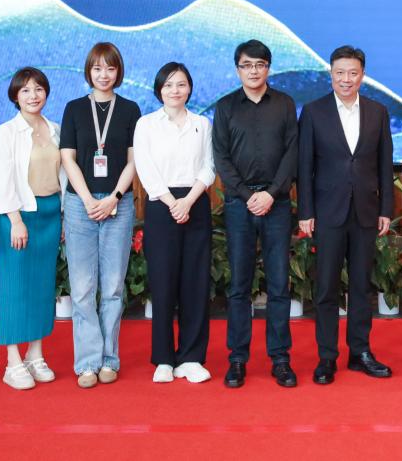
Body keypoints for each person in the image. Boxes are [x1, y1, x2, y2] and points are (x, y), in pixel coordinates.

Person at [298, 45, 395, 384]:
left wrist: (386, 208)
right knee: (326, 287)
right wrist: (306, 211)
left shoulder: (377, 112)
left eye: (353, 73)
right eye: (340, 73)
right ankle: (327, 357)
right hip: (327, 212)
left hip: (366, 211)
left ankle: (360, 351)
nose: (346, 79)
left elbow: (385, 164)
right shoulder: (314, 111)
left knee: (361, 285)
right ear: (331, 74)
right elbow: (304, 166)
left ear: (362, 75)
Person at [212, 39, 299, 389]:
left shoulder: (285, 104)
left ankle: (280, 358)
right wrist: (250, 196)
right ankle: (237, 358)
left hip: (277, 204)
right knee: (239, 285)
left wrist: (271, 193)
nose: (253, 71)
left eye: (260, 65)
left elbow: (292, 153)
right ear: (238, 69)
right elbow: (221, 158)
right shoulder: (225, 107)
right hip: (239, 204)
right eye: (247, 65)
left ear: (268, 68)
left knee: (279, 284)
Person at [59, 43, 142, 388]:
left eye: (110, 68)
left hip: (118, 204)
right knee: (82, 288)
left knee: (112, 287)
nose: (103, 75)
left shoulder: (130, 109)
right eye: (97, 68)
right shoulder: (74, 108)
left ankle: (109, 358)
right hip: (80, 205)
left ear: (118, 71)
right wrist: (86, 199)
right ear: (88, 71)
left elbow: (134, 160)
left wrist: (114, 198)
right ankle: (87, 362)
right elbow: (67, 157)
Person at [134, 62, 216, 384]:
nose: (175, 90)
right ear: (159, 89)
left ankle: (191, 357)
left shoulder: (202, 124)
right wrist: (172, 202)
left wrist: (188, 201)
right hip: (161, 205)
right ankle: (164, 359)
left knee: (195, 281)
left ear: (190, 88)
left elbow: (209, 167)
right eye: (168, 85)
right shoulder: (146, 125)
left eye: (181, 84)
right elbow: (145, 168)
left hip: (195, 203)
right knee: (163, 281)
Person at [0, 67, 64, 391]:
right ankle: (12, 362)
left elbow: (63, 175)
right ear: (15, 96)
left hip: (50, 213)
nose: (33, 96)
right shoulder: (6, 133)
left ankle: (35, 354)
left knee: (42, 286)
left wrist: (63, 216)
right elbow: (2, 181)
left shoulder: (56, 129)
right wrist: (16, 220)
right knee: (15, 287)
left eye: (38, 89)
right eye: (25, 90)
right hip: (18, 215)